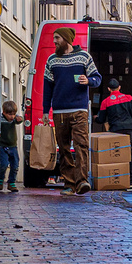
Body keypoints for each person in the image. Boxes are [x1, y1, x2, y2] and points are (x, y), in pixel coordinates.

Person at [41, 27, 97, 194]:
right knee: (63, 148)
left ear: (66, 39)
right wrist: (45, 111)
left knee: (81, 145)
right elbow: (47, 88)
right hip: (59, 112)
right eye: (54, 38)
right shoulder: (52, 60)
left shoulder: (84, 57)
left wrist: (88, 80)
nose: (54, 41)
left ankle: (82, 182)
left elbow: (97, 78)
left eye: (57, 38)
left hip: (79, 109)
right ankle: (69, 184)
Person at [0, 100, 22, 192]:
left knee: (15, 164)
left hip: (13, 146)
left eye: (14, 114)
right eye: (10, 114)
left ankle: (11, 183)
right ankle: (0, 180)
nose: (12, 116)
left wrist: (19, 118)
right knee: (3, 164)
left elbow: (20, 120)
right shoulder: (0, 119)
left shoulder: (14, 119)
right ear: (4, 112)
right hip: (3, 146)